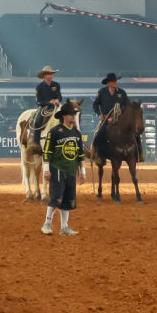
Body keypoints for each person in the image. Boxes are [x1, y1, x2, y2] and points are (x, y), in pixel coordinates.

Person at [40, 102, 83, 236]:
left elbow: (80, 154)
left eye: (74, 114)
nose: (73, 116)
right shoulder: (54, 132)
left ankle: (64, 227)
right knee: (56, 198)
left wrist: (83, 171)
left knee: (67, 200)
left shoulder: (76, 133)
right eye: (71, 114)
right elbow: (47, 152)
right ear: (64, 116)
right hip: (57, 169)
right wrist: (46, 169)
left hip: (70, 170)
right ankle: (47, 224)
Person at [91, 73, 130, 161]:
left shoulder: (122, 92)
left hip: (119, 120)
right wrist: (99, 114)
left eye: (116, 81)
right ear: (109, 83)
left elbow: (127, 105)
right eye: (114, 81)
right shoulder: (101, 92)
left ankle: (137, 153)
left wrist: (121, 115)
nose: (116, 82)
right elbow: (95, 105)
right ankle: (98, 155)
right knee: (98, 135)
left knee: (133, 134)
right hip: (105, 119)